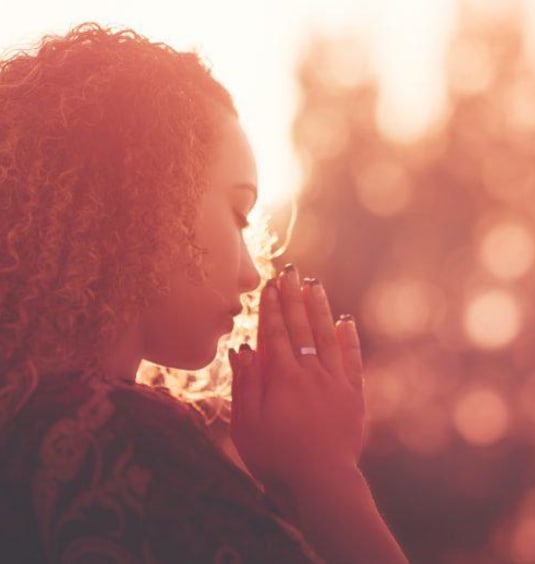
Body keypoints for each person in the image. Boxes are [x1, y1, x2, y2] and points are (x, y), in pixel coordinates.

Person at [0, 22, 409, 563]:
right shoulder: (127, 441)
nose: (251, 275)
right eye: (238, 213)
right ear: (148, 196)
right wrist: (326, 477)